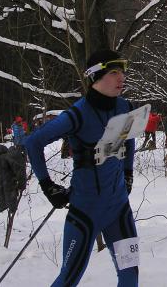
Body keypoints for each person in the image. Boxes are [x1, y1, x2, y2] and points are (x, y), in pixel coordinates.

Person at [24, 49, 139, 287]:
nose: (122, 78)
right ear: (96, 76)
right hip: (85, 212)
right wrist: (48, 187)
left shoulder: (124, 107)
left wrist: (128, 173)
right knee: (68, 280)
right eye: (115, 72)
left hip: (118, 209)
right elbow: (34, 143)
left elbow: (128, 140)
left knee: (130, 276)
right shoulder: (78, 114)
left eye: (123, 72)